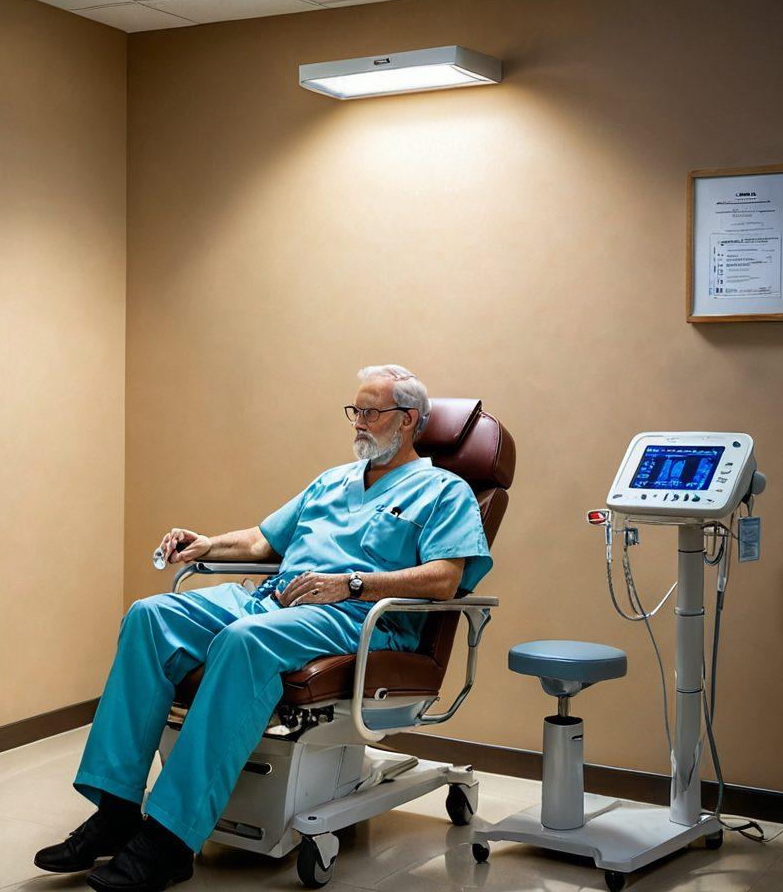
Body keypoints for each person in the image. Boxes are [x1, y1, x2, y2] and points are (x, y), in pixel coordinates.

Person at [34, 365, 493, 892]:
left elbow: (445, 578)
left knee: (242, 641)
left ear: (409, 420)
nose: (358, 423)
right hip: (270, 603)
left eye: (371, 413)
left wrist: (352, 583)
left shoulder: (444, 490)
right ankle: (116, 812)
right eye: (355, 412)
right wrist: (206, 544)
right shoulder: (332, 480)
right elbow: (261, 542)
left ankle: (169, 840)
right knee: (149, 616)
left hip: (354, 619)